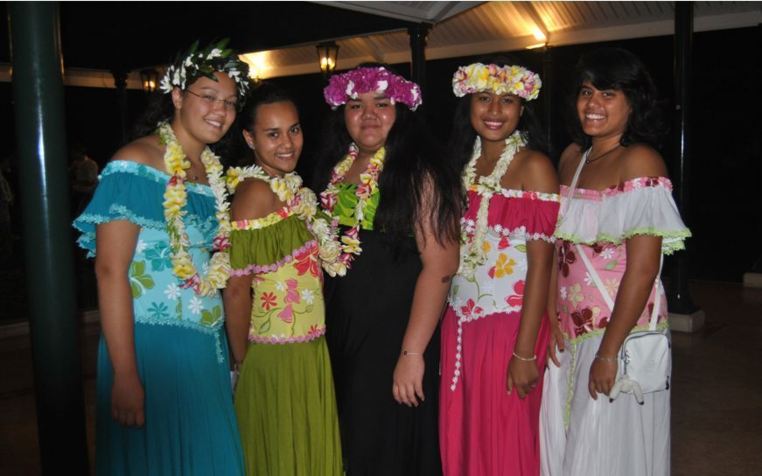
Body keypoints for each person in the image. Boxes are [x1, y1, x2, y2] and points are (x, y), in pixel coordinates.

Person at [73, 39, 250, 475]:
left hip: (205, 347)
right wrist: (126, 373)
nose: (220, 111)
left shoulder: (211, 174)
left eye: (229, 102)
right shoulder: (135, 163)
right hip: (151, 348)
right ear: (176, 96)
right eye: (208, 97)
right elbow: (110, 271)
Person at [539, 47, 691, 476]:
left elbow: (643, 270)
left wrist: (609, 353)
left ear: (633, 101)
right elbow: (559, 246)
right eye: (586, 92)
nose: (593, 104)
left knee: (606, 448)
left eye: (608, 93)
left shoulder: (641, 161)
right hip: (571, 329)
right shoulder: (572, 157)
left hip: (616, 331)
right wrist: (551, 313)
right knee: (569, 436)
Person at [313, 65, 462, 475]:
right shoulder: (337, 168)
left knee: (382, 447)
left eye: (382, 104)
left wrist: (412, 353)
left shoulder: (419, 172)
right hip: (343, 329)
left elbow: (442, 266)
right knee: (350, 443)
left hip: (394, 335)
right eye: (356, 105)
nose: (369, 115)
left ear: (403, 110)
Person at [439, 61, 559, 475]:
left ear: (522, 109)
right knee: (465, 431)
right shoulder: (460, 165)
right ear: (469, 104)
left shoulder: (534, 167)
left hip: (511, 324)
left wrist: (525, 351)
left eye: (507, 100)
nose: (495, 110)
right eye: (484, 98)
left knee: (507, 435)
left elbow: (543, 265)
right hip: (460, 323)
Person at [223, 82, 343, 475]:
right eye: (272, 134)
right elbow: (237, 287)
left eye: (294, 129)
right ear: (249, 137)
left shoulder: (290, 188)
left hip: (308, 346)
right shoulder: (254, 192)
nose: (288, 143)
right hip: (274, 354)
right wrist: (242, 362)